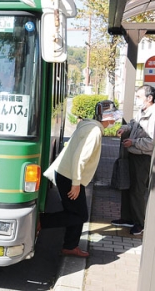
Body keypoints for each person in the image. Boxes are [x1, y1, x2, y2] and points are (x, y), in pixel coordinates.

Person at [40, 100, 121, 257]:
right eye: (113, 116)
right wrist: (76, 184)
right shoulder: (94, 132)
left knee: (75, 212)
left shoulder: (88, 125)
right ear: (106, 117)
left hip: (67, 174)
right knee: (80, 215)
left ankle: (70, 246)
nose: (114, 120)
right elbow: (80, 158)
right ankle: (42, 222)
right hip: (70, 177)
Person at [111, 84, 155, 236]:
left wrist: (133, 142)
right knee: (128, 187)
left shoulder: (153, 115)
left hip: (143, 158)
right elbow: (132, 124)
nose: (137, 100)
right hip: (133, 154)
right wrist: (125, 129)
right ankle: (128, 218)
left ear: (149, 98)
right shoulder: (142, 111)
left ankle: (139, 222)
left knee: (137, 190)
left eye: (139, 97)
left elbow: (151, 142)